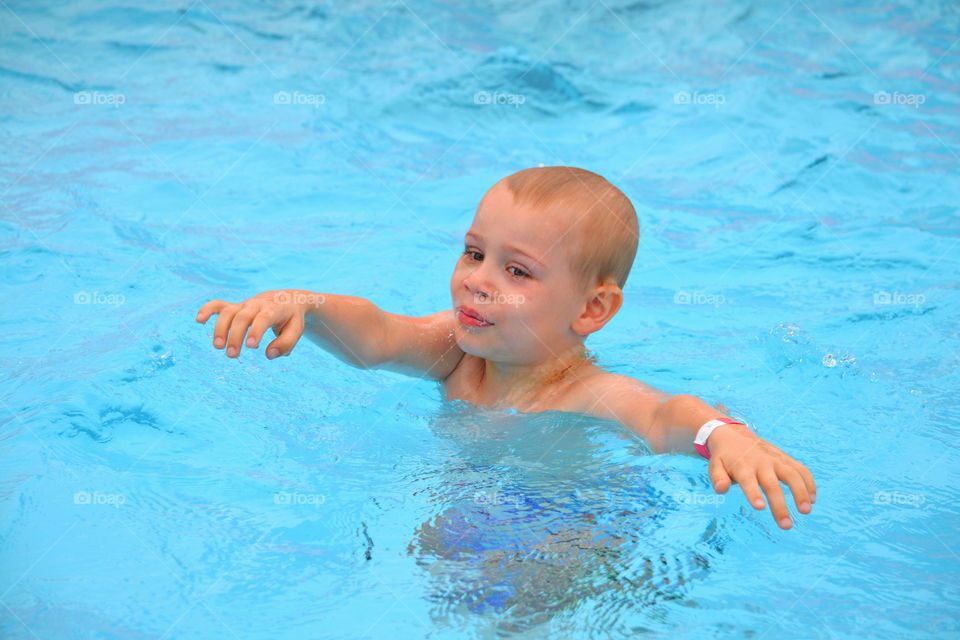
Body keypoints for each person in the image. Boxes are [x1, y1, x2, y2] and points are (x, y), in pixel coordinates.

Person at [195, 166, 816, 530]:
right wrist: (307, 303)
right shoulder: (457, 352)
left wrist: (724, 436)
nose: (477, 279)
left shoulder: (584, 391)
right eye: (473, 252)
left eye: (516, 272)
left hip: (571, 521)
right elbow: (379, 336)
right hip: (470, 518)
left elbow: (663, 415)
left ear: (591, 310)